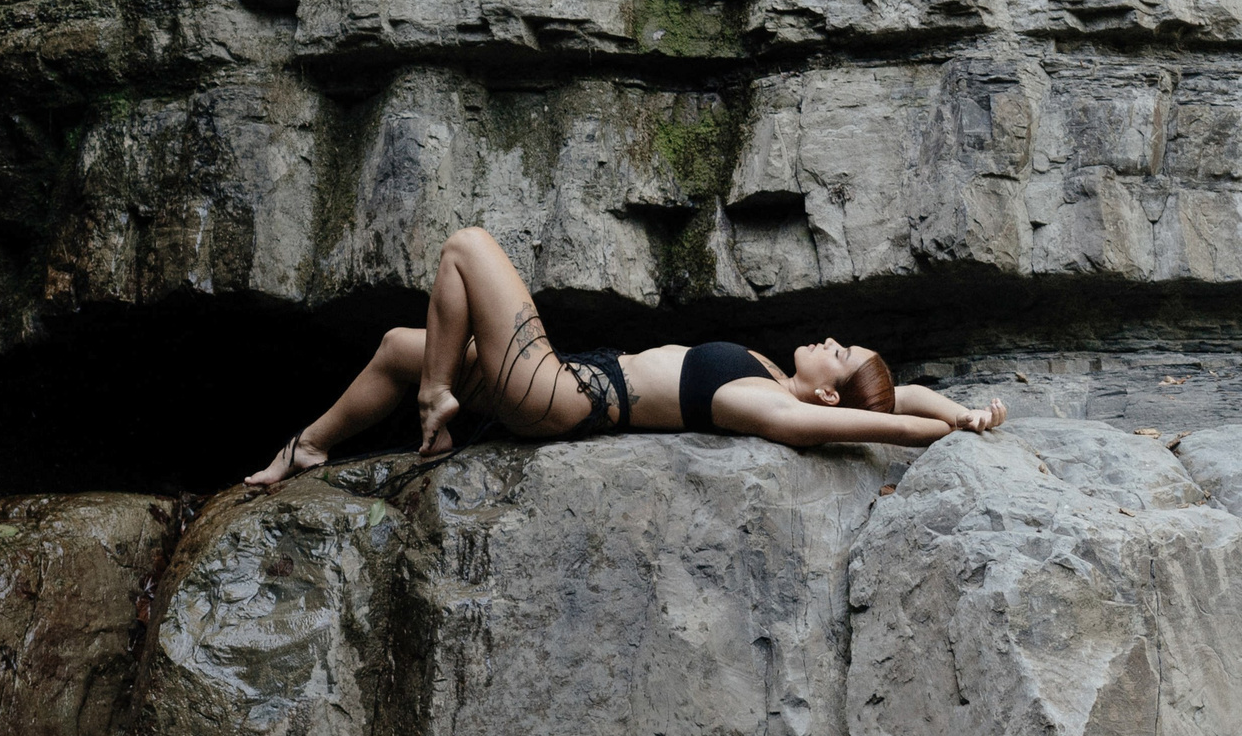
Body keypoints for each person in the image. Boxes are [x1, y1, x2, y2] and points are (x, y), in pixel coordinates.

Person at [246, 227, 1007, 485]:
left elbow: (884, 426)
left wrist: (937, 439)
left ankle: (435, 402)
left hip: (561, 393)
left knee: (467, 247)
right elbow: (902, 399)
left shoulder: (774, 409)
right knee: (396, 346)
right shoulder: (778, 378)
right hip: (571, 375)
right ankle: (307, 448)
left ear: (829, 396)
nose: (827, 339)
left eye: (837, 352)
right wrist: (965, 416)